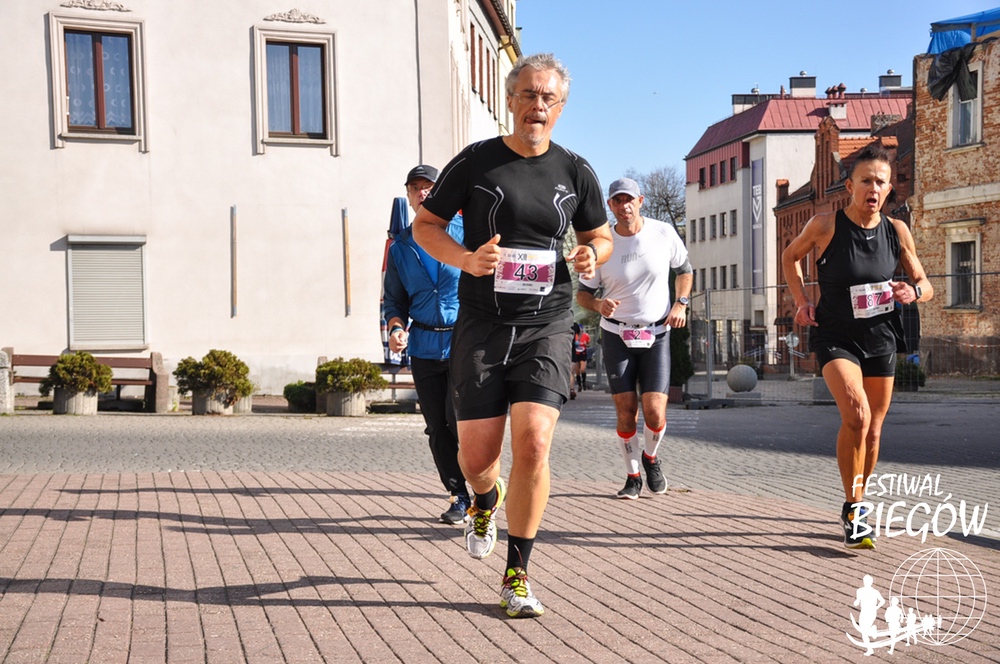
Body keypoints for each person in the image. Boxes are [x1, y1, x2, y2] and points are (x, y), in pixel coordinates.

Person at [412, 53, 612, 618]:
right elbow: (425, 225)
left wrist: (592, 255)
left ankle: (517, 576)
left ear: (561, 107)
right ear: (510, 100)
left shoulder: (575, 169)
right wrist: (465, 259)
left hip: (546, 324)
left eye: (548, 97)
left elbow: (600, 237)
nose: (537, 105)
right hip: (482, 324)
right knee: (477, 459)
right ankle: (484, 499)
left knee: (534, 444)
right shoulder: (476, 160)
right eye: (528, 94)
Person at [781, 144, 932, 549]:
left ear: (889, 189)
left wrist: (913, 292)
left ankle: (858, 501)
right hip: (835, 336)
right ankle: (853, 508)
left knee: (874, 431)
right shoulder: (825, 225)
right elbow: (790, 257)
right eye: (866, 180)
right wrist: (801, 300)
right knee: (857, 415)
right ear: (850, 186)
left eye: (881, 182)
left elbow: (926, 283)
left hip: (881, 338)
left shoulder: (896, 231)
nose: (874, 188)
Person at [577, 177, 693, 500]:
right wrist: (598, 304)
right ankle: (632, 477)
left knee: (655, 411)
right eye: (617, 201)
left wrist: (681, 303)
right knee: (626, 410)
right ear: (610, 206)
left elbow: (685, 270)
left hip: (656, 333)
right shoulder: (603, 244)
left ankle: (650, 458)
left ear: (640, 202)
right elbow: (583, 294)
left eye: (629, 200)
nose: (623, 206)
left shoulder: (662, 233)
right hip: (617, 334)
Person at [383, 164, 470, 524]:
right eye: (415, 187)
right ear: (408, 195)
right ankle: (458, 495)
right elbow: (394, 300)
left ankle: (484, 485)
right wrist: (395, 328)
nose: (422, 192)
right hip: (422, 347)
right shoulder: (401, 246)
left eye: (429, 187)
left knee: (460, 421)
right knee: (437, 427)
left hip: (463, 342)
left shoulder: (467, 233)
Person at [570, 322, 590, 398]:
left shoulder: (575, 326)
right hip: (567, 350)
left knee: (579, 370)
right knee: (576, 372)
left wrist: (578, 340)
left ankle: (573, 389)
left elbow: (588, 344)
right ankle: (579, 385)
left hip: (580, 353)